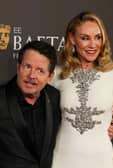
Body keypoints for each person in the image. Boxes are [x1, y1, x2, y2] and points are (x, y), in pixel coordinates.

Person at [51, 12, 113, 168]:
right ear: (72, 38)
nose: (93, 45)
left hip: (102, 161)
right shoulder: (56, 74)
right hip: (61, 160)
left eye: (98, 37)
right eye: (85, 38)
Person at [0, 40, 61, 168]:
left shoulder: (54, 97)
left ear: (50, 76)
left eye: (40, 71)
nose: (32, 75)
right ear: (18, 67)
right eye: (27, 67)